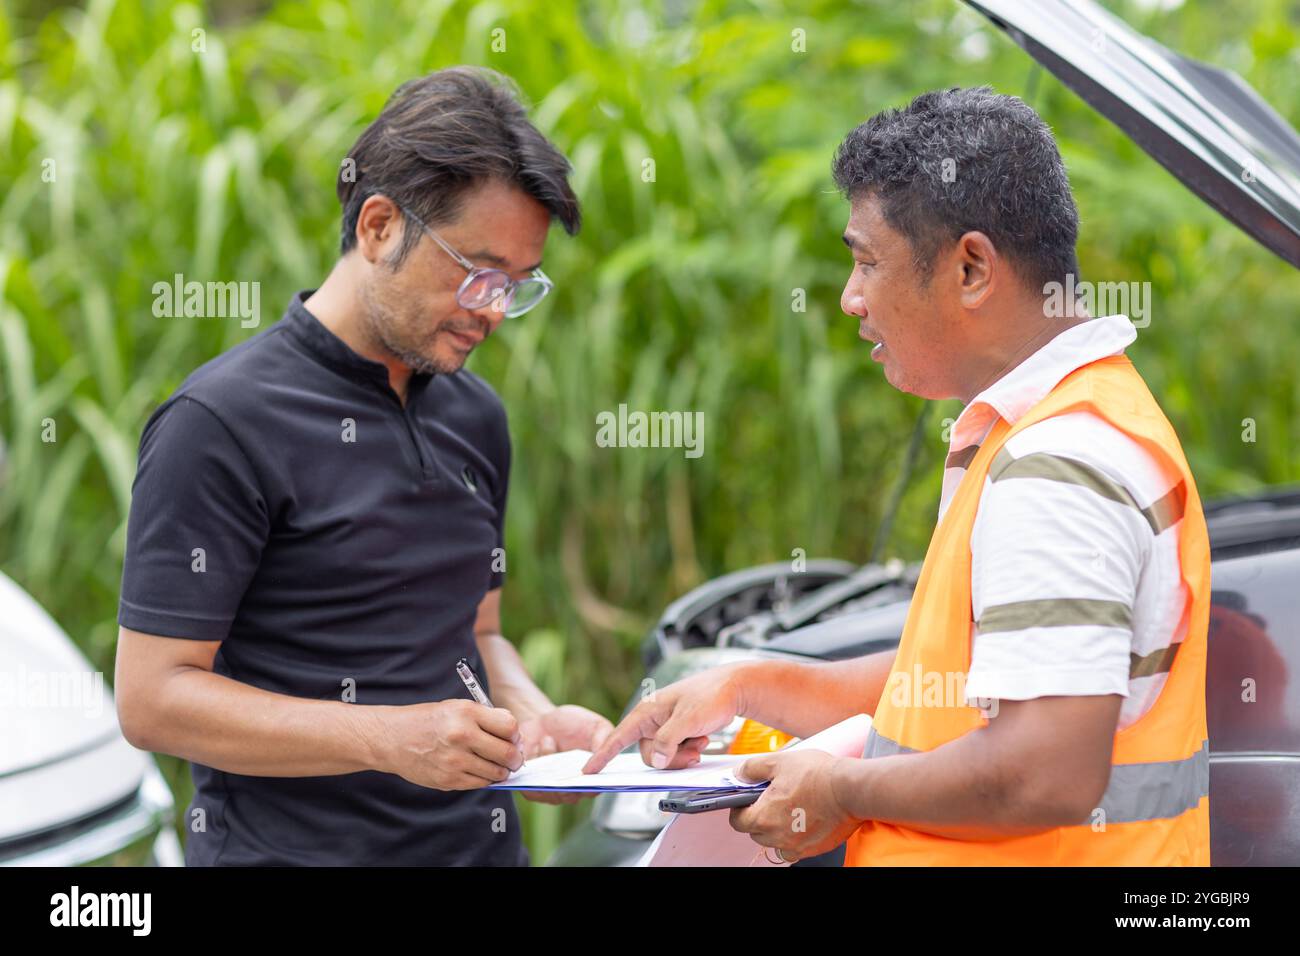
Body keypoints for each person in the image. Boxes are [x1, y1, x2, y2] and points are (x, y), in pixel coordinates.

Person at [583, 86, 1212, 866]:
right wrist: (747, 685)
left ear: (973, 268)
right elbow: (954, 676)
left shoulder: (1061, 465)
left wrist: (841, 792)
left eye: (867, 261)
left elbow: (1044, 773)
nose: (851, 299)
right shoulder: (1054, 427)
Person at [113, 66, 612, 866]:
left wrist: (530, 718)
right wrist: (386, 738)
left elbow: (475, 632)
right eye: (479, 271)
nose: (493, 310)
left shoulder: (473, 413)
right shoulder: (219, 424)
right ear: (379, 226)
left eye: (517, 286)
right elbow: (152, 700)